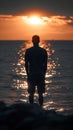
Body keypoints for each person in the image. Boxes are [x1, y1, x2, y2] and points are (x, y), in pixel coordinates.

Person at [25, 35, 48, 106]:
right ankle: (41, 108)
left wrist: (28, 74)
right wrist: (44, 74)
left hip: (31, 74)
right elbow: (45, 65)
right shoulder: (43, 51)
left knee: (31, 94)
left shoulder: (28, 51)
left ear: (32, 41)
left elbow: (26, 64)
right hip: (40, 74)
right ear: (39, 41)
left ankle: (31, 108)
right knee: (40, 94)